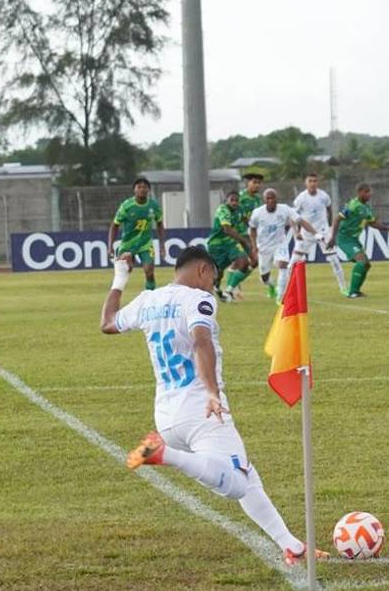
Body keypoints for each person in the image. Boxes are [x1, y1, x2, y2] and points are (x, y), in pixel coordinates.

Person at [100, 245, 325, 568]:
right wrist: (212, 392)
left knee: (246, 473)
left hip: (166, 414)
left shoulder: (148, 300)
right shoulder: (197, 299)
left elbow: (108, 323)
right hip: (200, 410)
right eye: (212, 279)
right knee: (236, 484)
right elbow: (200, 340)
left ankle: (292, 546)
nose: (212, 287)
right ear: (203, 270)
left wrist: (120, 278)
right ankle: (163, 454)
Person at [330, 183, 389, 298]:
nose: (369, 194)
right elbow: (337, 219)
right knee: (361, 261)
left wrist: (388, 229)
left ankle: (356, 291)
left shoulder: (367, 207)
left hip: (354, 239)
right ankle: (352, 292)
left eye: (369, 192)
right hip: (345, 238)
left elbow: (373, 223)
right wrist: (332, 238)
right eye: (367, 192)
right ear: (360, 192)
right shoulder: (353, 205)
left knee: (366, 265)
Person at [249, 188, 317, 301]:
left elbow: (301, 221)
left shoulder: (284, 209)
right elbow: (252, 230)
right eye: (268, 198)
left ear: (277, 198)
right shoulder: (257, 213)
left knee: (283, 265)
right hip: (264, 247)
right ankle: (271, 286)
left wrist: (316, 233)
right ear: (264, 200)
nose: (271, 200)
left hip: (280, 244)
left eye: (273, 198)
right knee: (264, 278)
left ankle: (280, 298)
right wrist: (254, 246)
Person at [291, 172, 348, 294]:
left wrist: (329, 229)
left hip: (323, 232)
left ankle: (343, 288)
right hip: (306, 233)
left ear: (318, 182)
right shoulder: (301, 198)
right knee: (294, 260)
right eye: (310, 181)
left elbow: (329, 210)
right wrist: (296, 232)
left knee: (334, 260)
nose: (312, 183)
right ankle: (286, 289)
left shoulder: (324, 196)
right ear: (306, 183)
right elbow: (293, 216)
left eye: (315, 181)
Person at [109, 177, 166, 291]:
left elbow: (159, 223)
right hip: (128, 244)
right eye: (139, 187)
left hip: (145, 244)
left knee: (149, 271)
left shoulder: (154, 206)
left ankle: (150, 295)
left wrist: (162, 244)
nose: (142, 189)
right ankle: (116, 293)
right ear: (134, 190)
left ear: (148, 190)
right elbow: (115, 225)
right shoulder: (127, 206)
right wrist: (110, 246)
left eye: (144, 187)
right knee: (124, 272)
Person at [207, 191, 252, 301]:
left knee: (244, 262)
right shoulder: (223, 210)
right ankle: (215, 288)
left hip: (231, 243)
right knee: (217, 272)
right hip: (216, 244)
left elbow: (246, 221)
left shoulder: (240, 209)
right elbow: (227, 229)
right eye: (232, 200)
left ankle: (228, 291)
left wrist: (252, 230)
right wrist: (244, 240)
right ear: (226, 201)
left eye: (236, 200)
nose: (234, 203)